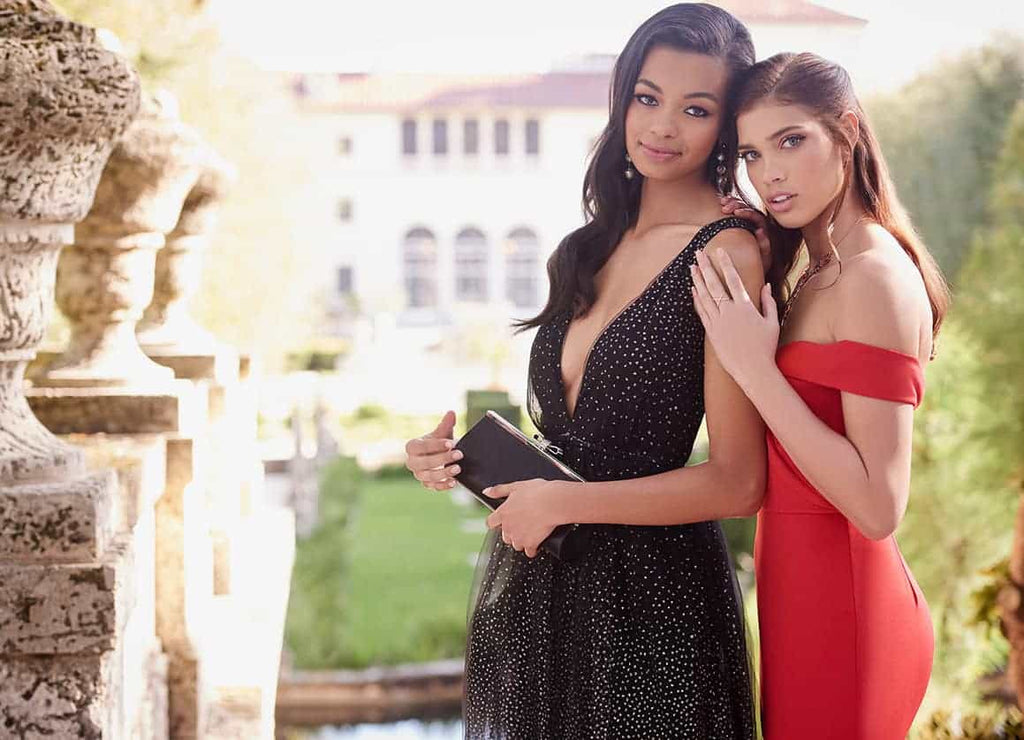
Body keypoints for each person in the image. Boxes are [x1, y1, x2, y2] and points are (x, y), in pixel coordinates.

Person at [406, 4, 770, 738]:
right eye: (647, 97)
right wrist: (456, 460)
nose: (662, 127)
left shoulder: (724, 253)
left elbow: (739, 481)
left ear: (726, 128)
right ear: (623, 98)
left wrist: (566, 505)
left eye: (695, 109)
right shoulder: (588, 247)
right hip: (550, 596)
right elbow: (573, 452)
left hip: (655, 609)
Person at [691, 52, 947, 739]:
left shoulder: (874, 278)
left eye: (791, 141)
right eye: (751, 152)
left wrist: (758, 369)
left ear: (848, 133)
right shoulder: (819, 271)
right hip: (800, 596)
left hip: (850, 612)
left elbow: (877, 506)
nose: (769, 171)